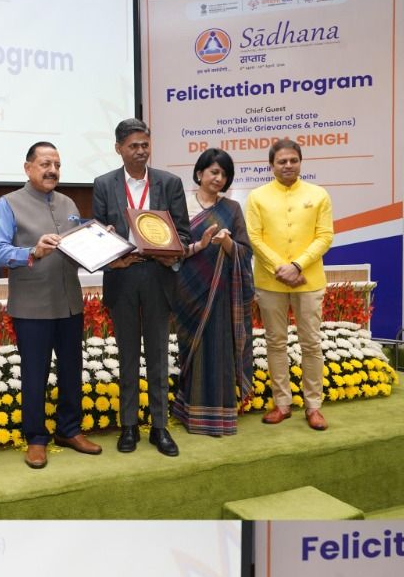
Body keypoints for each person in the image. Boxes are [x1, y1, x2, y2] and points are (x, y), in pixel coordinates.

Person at [0, 142, 100, 470]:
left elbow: (77, 249)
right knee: (35, 375)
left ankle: (69, 430)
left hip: (69, 303)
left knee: (71, 371)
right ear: (28, 168)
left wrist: (99, 242)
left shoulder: (68, 203)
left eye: (57, 165)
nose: (52, 170)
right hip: (31, 306)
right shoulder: (8, 203)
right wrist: (32, 252)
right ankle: (36, 438)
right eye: (45, 164)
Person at [91, 118, 197, 457]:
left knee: (158, 356)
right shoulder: (103, 184)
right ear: (118, 148)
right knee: (126, 357)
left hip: (158, 276)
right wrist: (108, 245)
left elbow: (184, 234)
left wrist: (171, 253)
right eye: (133, 146)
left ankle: (160, 428)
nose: (140, 151)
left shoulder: (169, 183)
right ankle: (129, 426)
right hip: (122, 276)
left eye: (145, 145)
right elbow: (97, 234)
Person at [246, 138, 335, 430]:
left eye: (293, 160)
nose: (288, 165)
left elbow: (325, 236)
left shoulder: (318, 194)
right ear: (271, 165)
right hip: (270, 281)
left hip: (309, 280)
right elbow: (254, 237)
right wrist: (280, 268)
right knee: (275, 342)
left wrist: (297, 265)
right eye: (282, 161)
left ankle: (314, 406)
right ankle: (281, 403)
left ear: (300, 162)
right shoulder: (257, 197)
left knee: (311, 343)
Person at [172, 148, 255, 437]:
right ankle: (189, 412)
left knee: (218, 350)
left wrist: (227, 243)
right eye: (214, 172)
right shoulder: (181, 206)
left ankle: (218, 417)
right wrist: (201, 244)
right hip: (188, 290)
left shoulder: (232, 209)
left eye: (224, 174)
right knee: (192, 351)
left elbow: (245, 252)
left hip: (220, 294)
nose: (219, 178)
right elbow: (172, 249)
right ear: (200, 173)